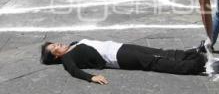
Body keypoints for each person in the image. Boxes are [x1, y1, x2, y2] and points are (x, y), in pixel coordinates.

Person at [40, 39, 207, 84]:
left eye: (55, 43)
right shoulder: (67, 59)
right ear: (56, 56)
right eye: (55, 47)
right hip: (116, 58)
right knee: (152, 62)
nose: (58, 44)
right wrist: (91, 77)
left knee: (157, 52)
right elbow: (74, 71)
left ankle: (191, 54)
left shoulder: (73, 44)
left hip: (118, 46)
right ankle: (193, 66)